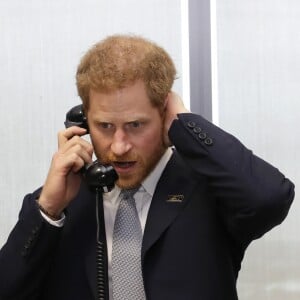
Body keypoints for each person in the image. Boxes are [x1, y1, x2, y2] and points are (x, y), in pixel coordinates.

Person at [0, 34, 295, 300]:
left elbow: (269, 198)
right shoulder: (61, 204)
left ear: (165, 113)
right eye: (104, 126)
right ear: (82, 122)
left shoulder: (208, 190)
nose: (119, 146)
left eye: (135, 125)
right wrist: (48, 210)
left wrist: (187, 127)